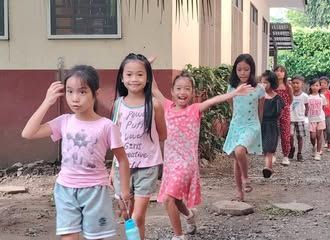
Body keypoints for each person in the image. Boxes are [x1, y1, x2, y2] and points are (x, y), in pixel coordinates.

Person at [21, 65, 131, 240]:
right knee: (69, 237)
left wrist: (124, 191)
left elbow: (123, 160)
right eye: (69, 92)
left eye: (82, 92)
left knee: (98, 237)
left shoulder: (107, 126)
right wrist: (47, 102)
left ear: (96, 93)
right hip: (65, 190)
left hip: (95, 191)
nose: (75, 99)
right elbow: (28, 133)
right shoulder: (64, 122)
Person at [153, 71, 253, 240]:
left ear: (192, 93)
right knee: (176, 199)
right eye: (178, 88)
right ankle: (189, 215)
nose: (182, 92)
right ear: (171, 91)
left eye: (187, 89)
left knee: (169, 198)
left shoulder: (195, 109)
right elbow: (153, 88)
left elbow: (214, 100)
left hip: (186, 164)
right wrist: (147, 66)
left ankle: (178, 236)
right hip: (170, 163)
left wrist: (234, 93)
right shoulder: (167, 106)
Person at [110, 53, 167, 240]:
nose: (134, 79)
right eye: (129, 74)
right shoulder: (118, 105)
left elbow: (163, 134)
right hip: (122, 170)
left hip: (147, 167)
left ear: (148, 77)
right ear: (122, 77)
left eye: (140, 74)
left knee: (137, 216)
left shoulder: (155, 105)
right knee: (127, 214)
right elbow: (115, 140)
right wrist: (112, 169)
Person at [222, 53, 265, 202]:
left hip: (252, 125)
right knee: (236, 158)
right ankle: (239, 192)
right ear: (235, 70)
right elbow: (232, 106)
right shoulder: (232, 87)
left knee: (239, 150)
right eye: (239, 69)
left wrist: (257, 126)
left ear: (251, 70)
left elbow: (261, 109)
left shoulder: (259, 89)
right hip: (236, 125)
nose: (242, 73)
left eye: (246, 69)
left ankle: (246, 178)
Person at [260, 70, 285, 178]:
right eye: (262, 82)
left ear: (272, 83)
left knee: (269, 148)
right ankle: (268, 166)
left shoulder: (277, 98)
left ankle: (267, 167)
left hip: (272, 125)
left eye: (266, 82)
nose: (263, 85)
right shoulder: (259, 97)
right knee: (266, 148)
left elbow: (281, 112)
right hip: (262, 124)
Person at [274, 65, 293, 165]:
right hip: (273, 112)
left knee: (285, 134)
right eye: (277, 71)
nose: (279, 73)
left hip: (285, 112)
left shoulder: (288, 86)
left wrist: (284, 108)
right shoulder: (271, 86)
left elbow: (290, 99)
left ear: (285, 74)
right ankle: (272, 153)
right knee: (273, 134)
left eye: (281, 71)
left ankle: (285, 155)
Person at [289, 75, 308, 161]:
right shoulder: (289, 94)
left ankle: (299, 153)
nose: (295, 85)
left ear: (302, 84)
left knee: (300, 137)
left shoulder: (304, 96)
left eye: (297, 83)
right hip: (290, 119)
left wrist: (305, 115)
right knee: (290, 135)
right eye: (294, 83)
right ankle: (292, 148)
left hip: (300, 119)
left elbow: (307, 105)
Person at [307, 79, 327, 160]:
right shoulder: (308, 97)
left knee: (319, 136)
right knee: (312, 136)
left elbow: (323, 107)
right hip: (312, 119)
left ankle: (318, 152)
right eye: (313, 85)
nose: (315, 87)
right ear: (310, 86)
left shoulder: (322, 96)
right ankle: (314, 146)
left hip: (320, 118)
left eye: (317, 85)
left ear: (319, 87)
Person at [319, 76, 330, 152]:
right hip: (319, 114)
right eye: (321, 83)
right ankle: (321, 144)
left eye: (325, 83)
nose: (323, 84)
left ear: (328, 84)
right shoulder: (317, 93)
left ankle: (329, 142)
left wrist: (329, 111)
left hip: (327, 113)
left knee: (328, 129)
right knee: (321, 130)